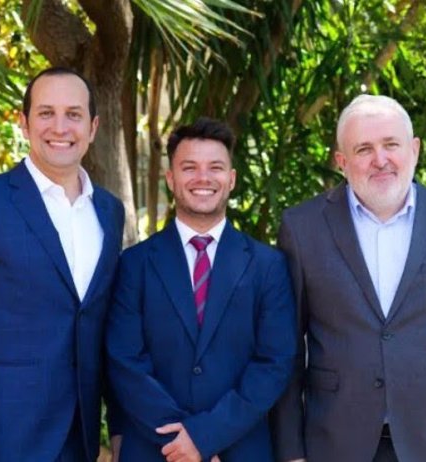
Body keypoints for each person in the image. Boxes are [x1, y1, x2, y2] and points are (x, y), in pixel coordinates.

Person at [270, 94, 426, 462]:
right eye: (364, 148)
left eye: (391, 145)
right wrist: (291, 452)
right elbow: (286, 350)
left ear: (414, 149)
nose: (380, 159)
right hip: (335, 444)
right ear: (341, 161)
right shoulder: (302, 229)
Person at [0, 67, 125, 462]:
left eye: (74, 114)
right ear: (23, 123)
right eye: (45, 113)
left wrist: (120, 427)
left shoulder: (109, 211)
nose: (60, 126)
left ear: (93, 127)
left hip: (81, 436)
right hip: (2, 440)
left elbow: (100, 324)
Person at [106, 117, 296, 461]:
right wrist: (183, 442)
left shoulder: (268, 266)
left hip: (238, 449)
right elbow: (124, 361)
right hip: (155, 448)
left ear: (231, 179)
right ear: (170, 178)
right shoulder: (134, 264)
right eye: (189, 167)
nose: (203, 178)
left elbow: (273, 363)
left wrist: (207, 436)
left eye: (215, 168)